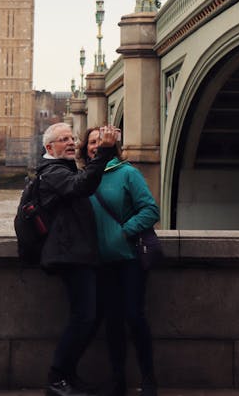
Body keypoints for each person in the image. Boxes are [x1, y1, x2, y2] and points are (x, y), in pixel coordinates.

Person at [37, 121, 119, 396]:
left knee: (90, 317)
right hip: (69, 256)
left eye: (73, 138)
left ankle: (68, 375)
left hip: (80, 253)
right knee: (84, 317)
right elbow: (81, 186)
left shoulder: (64, 169)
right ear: (49, 148)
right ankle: (57, 377)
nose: (72, 142)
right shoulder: (52, 172)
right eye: (64, 139)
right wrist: (105, 153)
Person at [79, 126, 160, 396]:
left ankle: (148, 378)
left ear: (110, 145)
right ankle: (118, 381)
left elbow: (150, 209)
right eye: (91, 142)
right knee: (112, 322)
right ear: (85, 148)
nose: (95, 146)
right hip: (99, 263)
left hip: (129, 260)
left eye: (99, 141)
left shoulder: (127, 173)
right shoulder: (82, 179)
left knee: (134, 317)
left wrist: (124, 231)